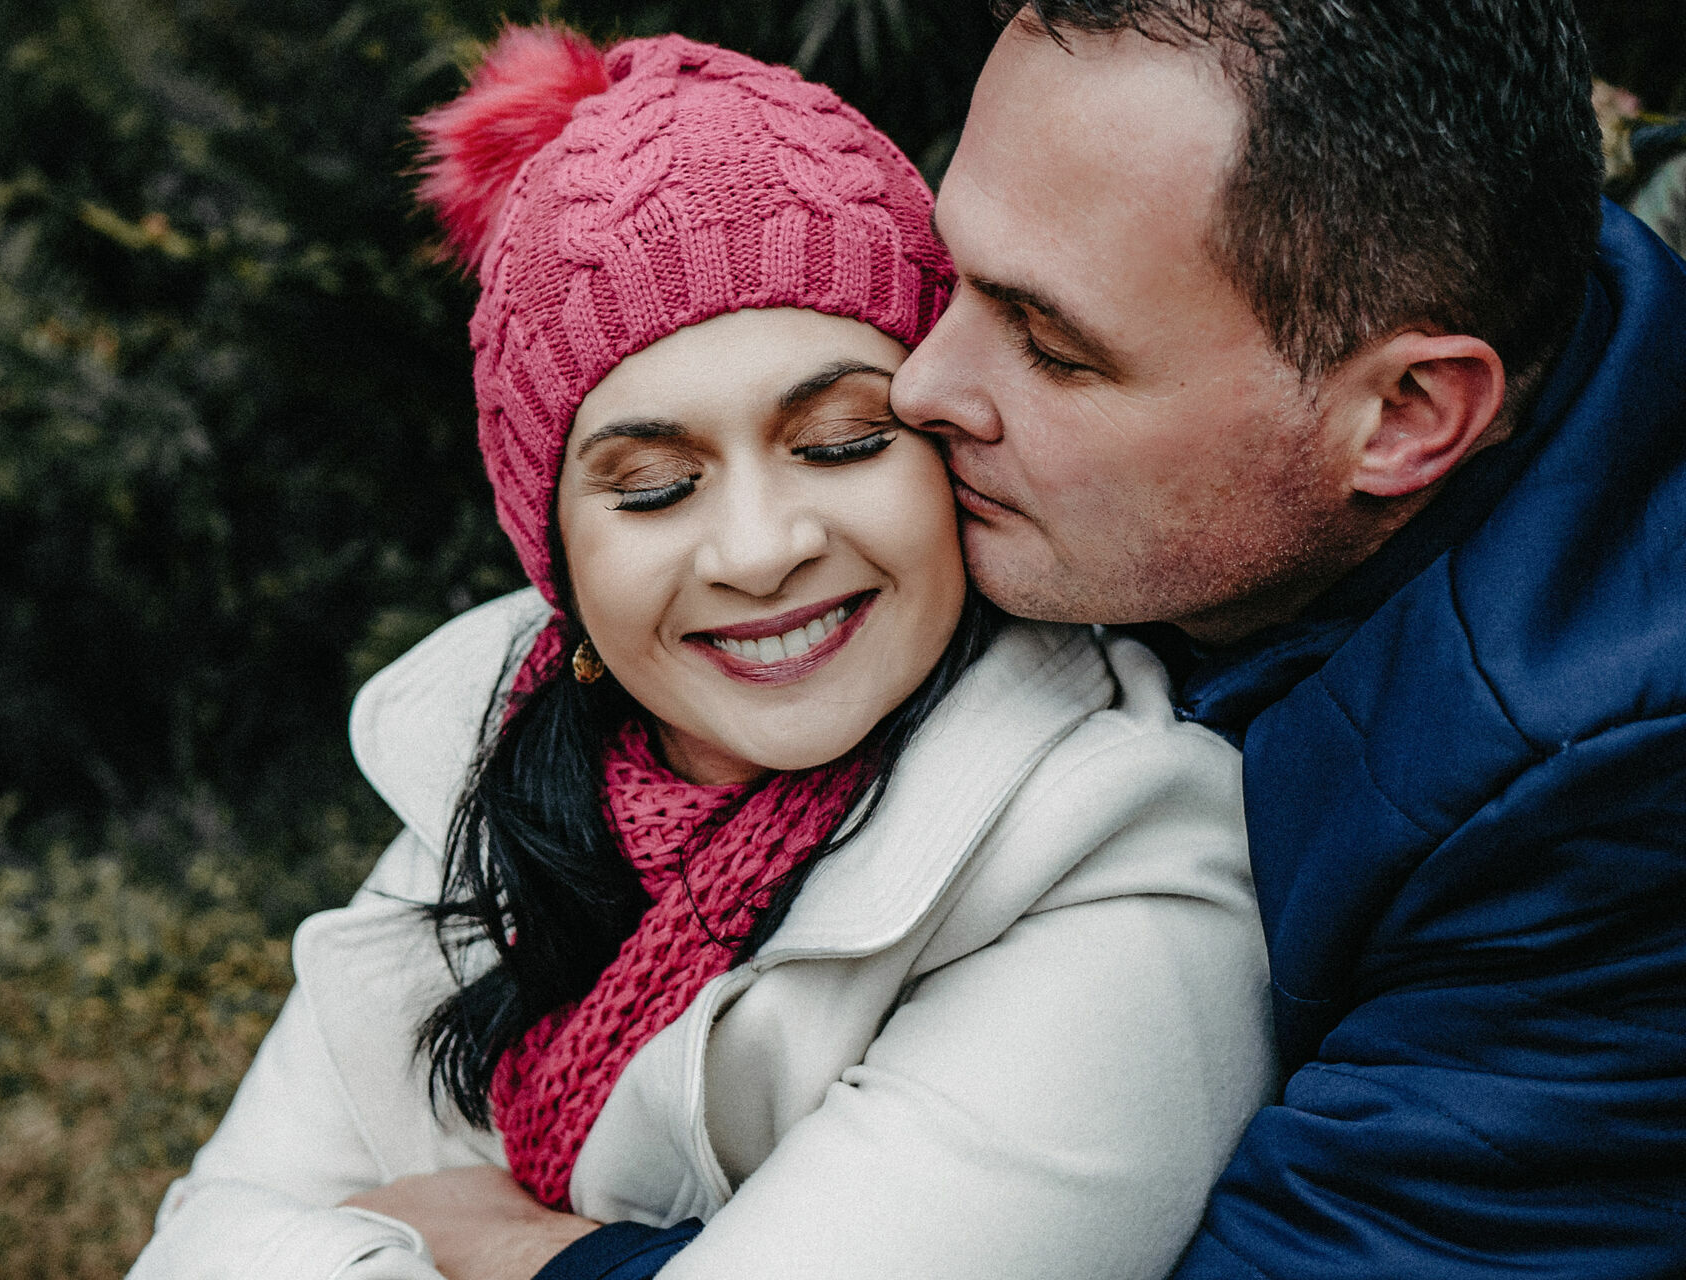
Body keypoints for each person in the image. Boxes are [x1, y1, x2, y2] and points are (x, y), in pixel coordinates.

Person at [506, 2, 1686, 1278]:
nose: (922, 389)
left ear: (1403, 413)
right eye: (953, 278)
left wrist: (558, 1260)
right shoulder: (1420, 273)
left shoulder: (1619, 800)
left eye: (1051, 346)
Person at [126, 25, 1274, 1280]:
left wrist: (502, 1250)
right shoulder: (489, 743)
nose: (757, 548)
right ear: (555, 553)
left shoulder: (1114, 851)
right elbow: (209, 1236)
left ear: (949, 445)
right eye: (657, 483)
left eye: (840, 441)